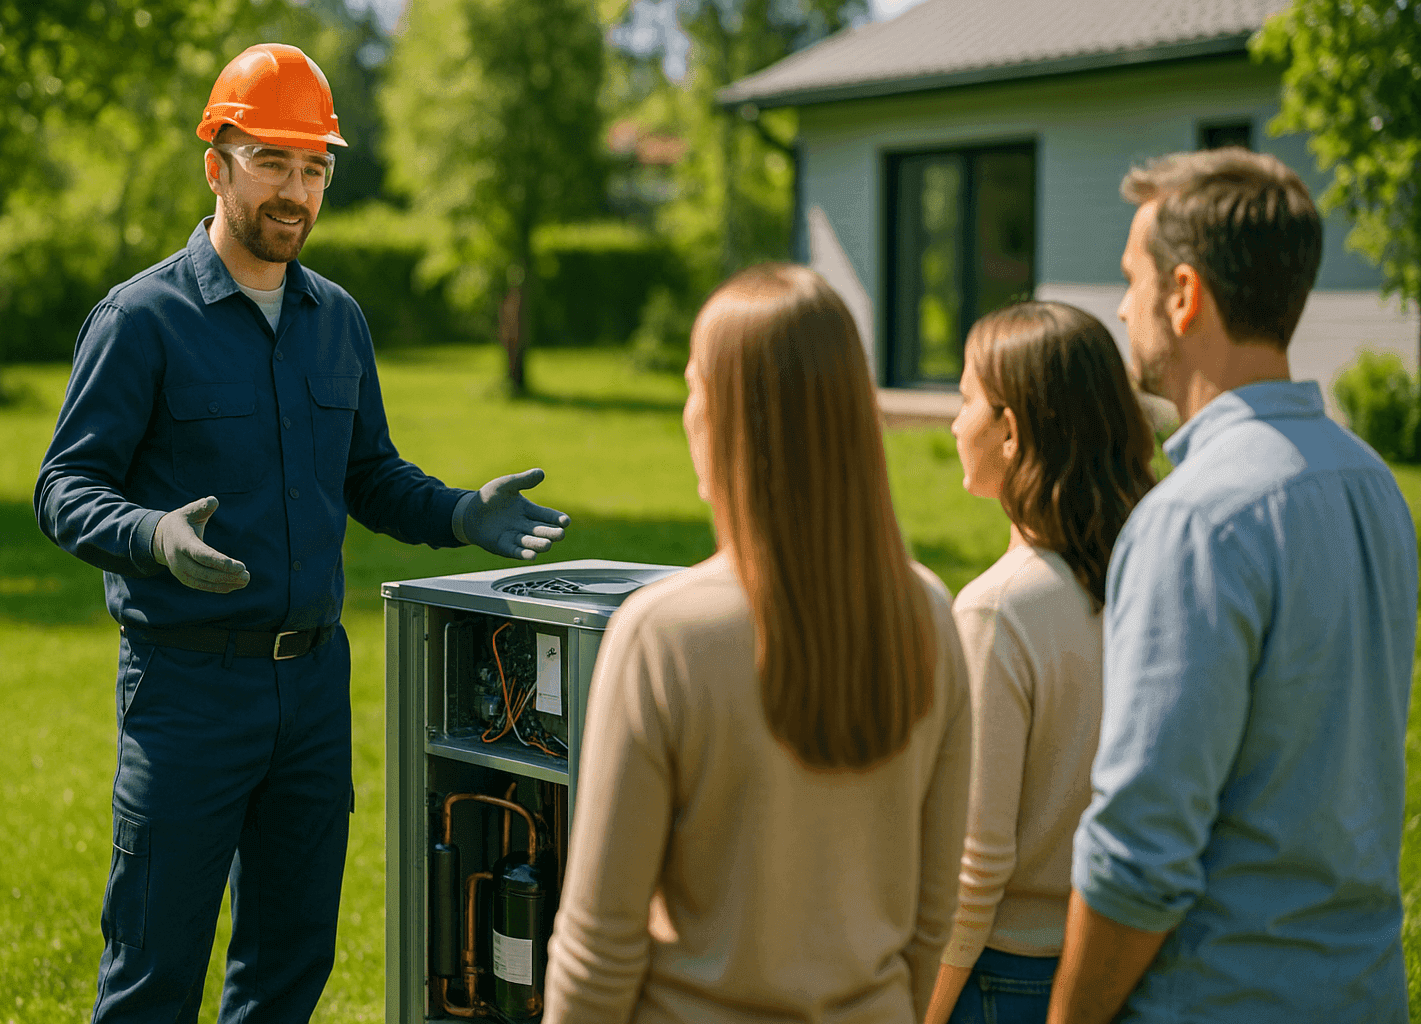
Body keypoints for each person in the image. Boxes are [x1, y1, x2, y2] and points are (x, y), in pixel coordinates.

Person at [33, 43, 570, 1024]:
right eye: (273, 160)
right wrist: (152, 535)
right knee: (153, 972)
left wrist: (456, 511)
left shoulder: (338, 322)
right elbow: (65, 486)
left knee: (288, 967)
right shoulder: (141, 319)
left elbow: (369, 476)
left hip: (313, 691)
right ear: (217, 163)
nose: (296, 189)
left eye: (315, 166)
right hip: (187, 692)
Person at [542, 263, 972, 1024]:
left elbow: (600, 944)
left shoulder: (664, 634)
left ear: (727, 416)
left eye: (692, 389)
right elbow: (934, 914)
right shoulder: (931, 612)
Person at [1047, 148, 1418, 1023]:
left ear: (1184, 296)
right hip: (1359, 992)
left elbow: (1139, 854)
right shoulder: (1373, 484)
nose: (1123, 304)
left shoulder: (1193, 522)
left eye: (1132, 277)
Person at [920, 302, 1155, 1024]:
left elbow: (977, 859)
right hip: (1125, 963)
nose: (955, 423)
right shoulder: (1148, 577)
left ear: (1012, 432)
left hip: (1003, 981)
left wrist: (924, 1009)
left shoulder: (999, 609)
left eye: (964, 401)